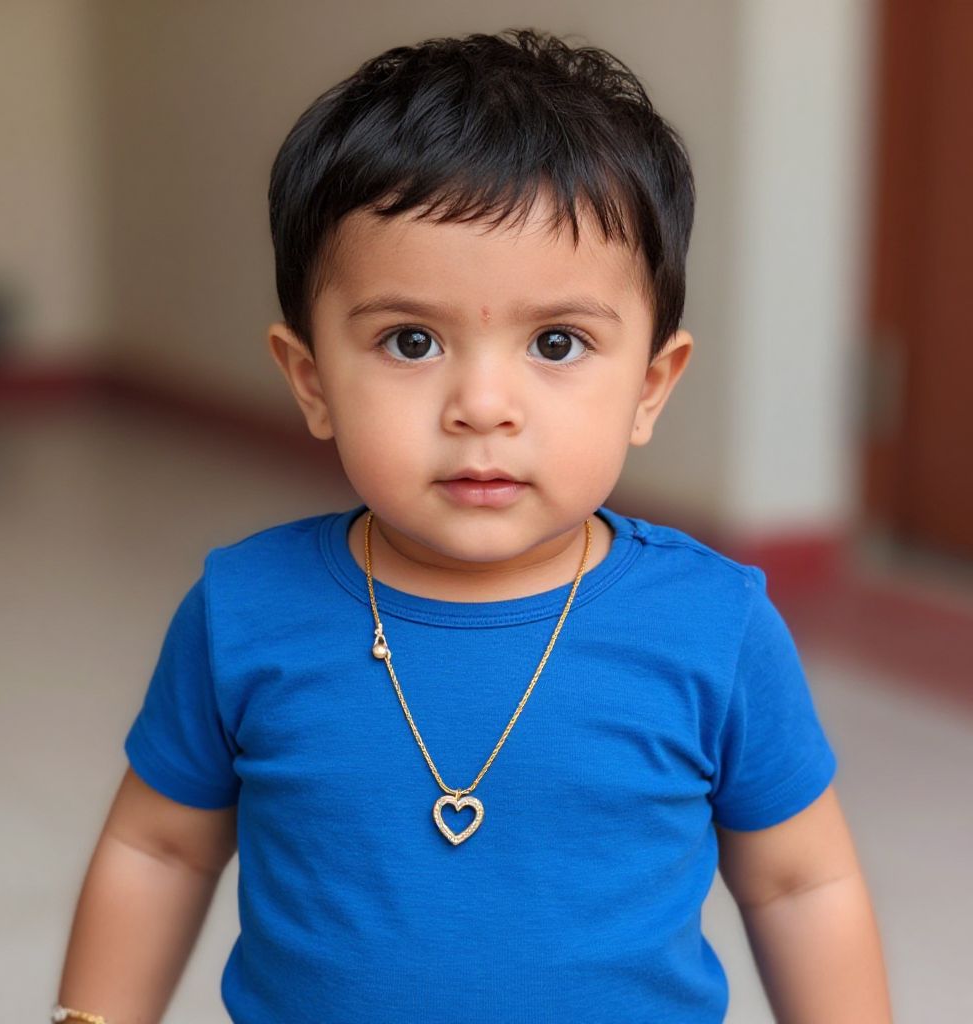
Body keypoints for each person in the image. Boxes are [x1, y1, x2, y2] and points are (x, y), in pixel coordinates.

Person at [54, 27, 892, 1024]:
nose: (482, 406)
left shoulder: (714, 625)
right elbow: (159, 847)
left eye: (557, 343)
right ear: (311, 380)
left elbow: (800, 883)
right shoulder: (242, 612)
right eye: (411, 341)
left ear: (650, 385)